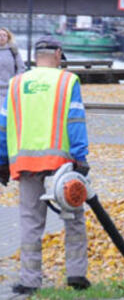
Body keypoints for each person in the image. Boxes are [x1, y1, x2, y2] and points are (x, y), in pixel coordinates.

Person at [0, 36, 91, 294]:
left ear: (35, 57)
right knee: (73, 218)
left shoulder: (17, 84)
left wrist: (2, 162)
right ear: (58, 54)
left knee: (30, 222)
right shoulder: (67, 81)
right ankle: (75, 275)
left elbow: (3, 125)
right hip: (62, 165)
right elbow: (75, 121)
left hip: (26, 163)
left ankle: (29, 281)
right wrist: (81, 159)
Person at [0, 27, 25, 102]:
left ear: (8, 37)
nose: (2, 37)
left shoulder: (13, 51)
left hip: (10, 89)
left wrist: (15, 82)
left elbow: (21, 68)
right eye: (0, 35)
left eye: (4, 35)